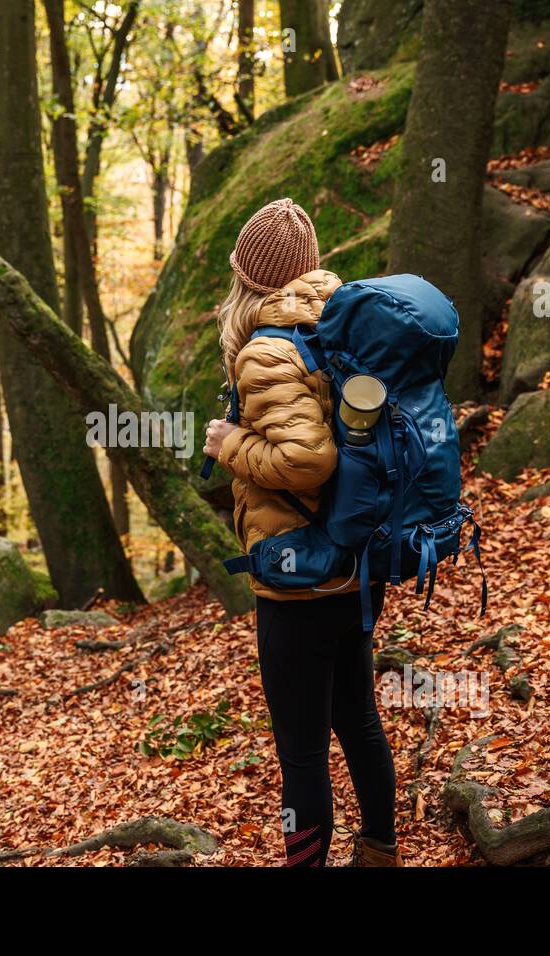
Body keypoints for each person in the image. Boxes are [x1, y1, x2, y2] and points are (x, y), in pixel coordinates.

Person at [202, 198, 400, 867]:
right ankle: (378, 853)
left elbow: (307, 462)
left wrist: (230, 443)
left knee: (302, 753)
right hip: (353, 563)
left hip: (297, 580)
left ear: (249, 277)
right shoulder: (342, 323)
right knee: (361, 723)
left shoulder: (266, 350)